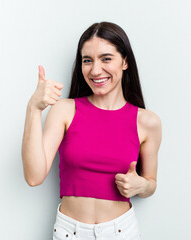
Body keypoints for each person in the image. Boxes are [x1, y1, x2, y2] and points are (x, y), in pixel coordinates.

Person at [21, 22, 162, 240]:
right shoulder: (64, 110)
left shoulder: (147, 122)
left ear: (125, 61)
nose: (95, 70)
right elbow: (33, 176)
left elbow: (150, 183)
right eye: (87, 60)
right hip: (70, 231)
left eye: (106, 58)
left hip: (121, 231)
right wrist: (33, 109)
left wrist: (141, 185)